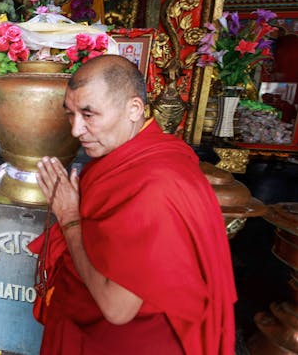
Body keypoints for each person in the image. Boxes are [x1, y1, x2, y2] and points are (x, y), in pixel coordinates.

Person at [30, 54, 237, 354]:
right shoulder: (133, 154)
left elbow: (116, 309)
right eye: (70, 114)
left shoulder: (155, 185)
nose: (75, 130)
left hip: (128, 339)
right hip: (88, 318)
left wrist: (70, 217)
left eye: (89, 115)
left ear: (134, 109)